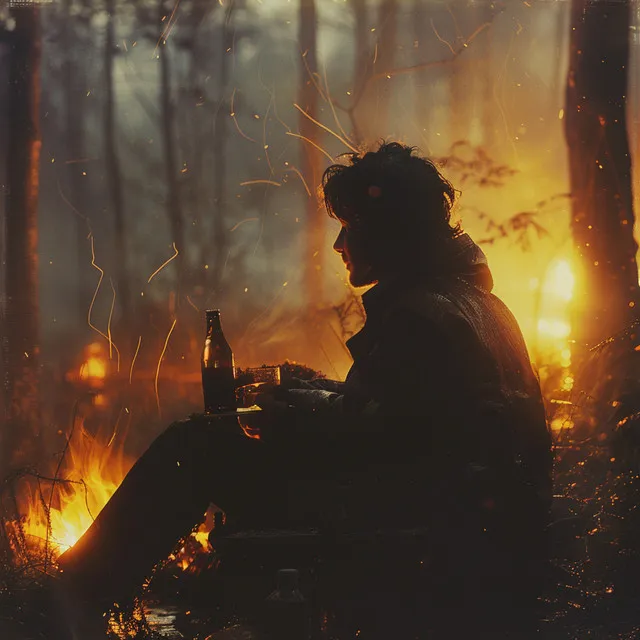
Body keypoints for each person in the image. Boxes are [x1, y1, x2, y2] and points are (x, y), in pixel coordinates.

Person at [58, 142, 552, 635]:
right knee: (208, 441)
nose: (339, 245)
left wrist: (289, 416)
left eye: (351, 227)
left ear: (388, 232)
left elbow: (381, 440)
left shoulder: (421, 315)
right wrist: (311, 392)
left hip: (424, 527)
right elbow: (408, 416)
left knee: (195, 445)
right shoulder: (477, 305)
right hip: (476, 518)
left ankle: (69, 600)